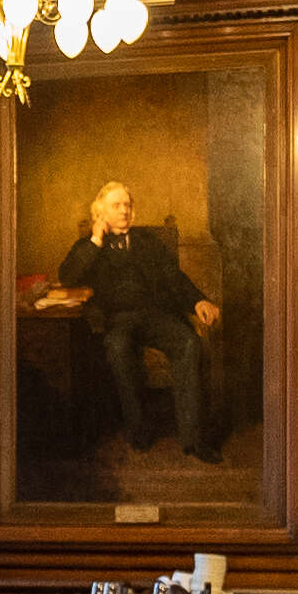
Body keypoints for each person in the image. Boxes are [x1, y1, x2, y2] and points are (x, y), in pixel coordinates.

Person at [39, 181, 223, 461]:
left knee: (188, 342)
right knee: (117, 349)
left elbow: (174, 278)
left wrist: (198, 301)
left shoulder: (148, 242)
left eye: (127, 205)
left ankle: (193, 439)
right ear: (101, 212)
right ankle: (138, 431)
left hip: (155, 315)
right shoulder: (89, 245)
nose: (124, 210)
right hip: (116, 321)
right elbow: (68, 276)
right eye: (116, 205)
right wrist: (96, 240)